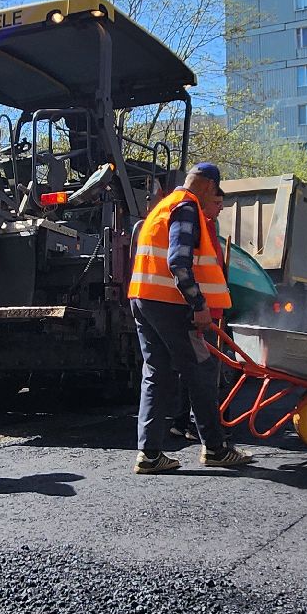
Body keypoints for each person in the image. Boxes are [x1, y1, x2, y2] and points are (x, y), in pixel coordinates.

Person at [127, 162, 255, 474]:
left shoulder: (163, 206)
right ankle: (214, 448)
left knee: (156, 373)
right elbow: (178, 262)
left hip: (144, 298)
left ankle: (150, 454)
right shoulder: (187, 207)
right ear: (211, 186)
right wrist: (198, 304)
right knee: (201, 371)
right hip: (172, 304)